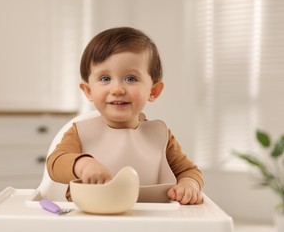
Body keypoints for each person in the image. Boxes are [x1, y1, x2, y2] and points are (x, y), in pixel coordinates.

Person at [46, 27, 203, 205]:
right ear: (89, 91)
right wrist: (83, 165)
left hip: (151, 219)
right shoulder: (80, 133)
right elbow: (55, 163)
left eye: (130, 78)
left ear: (153, 91)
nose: (117, 89)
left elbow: (188, 171)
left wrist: (189, 185)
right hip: (92, 219)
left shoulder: (160, 135)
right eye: (105, 78)